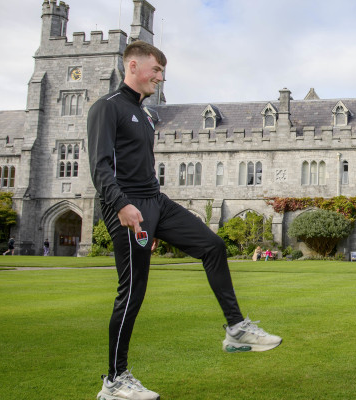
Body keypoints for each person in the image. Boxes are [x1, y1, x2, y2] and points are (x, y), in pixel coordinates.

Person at [88, 41, 281, 400]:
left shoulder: (145, 115)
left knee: (212, 245)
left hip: (155, 203)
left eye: (162, 73)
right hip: (129, 208)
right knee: (131, 293)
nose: (160, 79)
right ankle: (114, 382)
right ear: (132, 66)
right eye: (155, 70)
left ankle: (236, 329)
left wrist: (157, 220)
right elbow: (100, 166)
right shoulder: (106, 108)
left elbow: (139, 164)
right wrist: (122, 207)